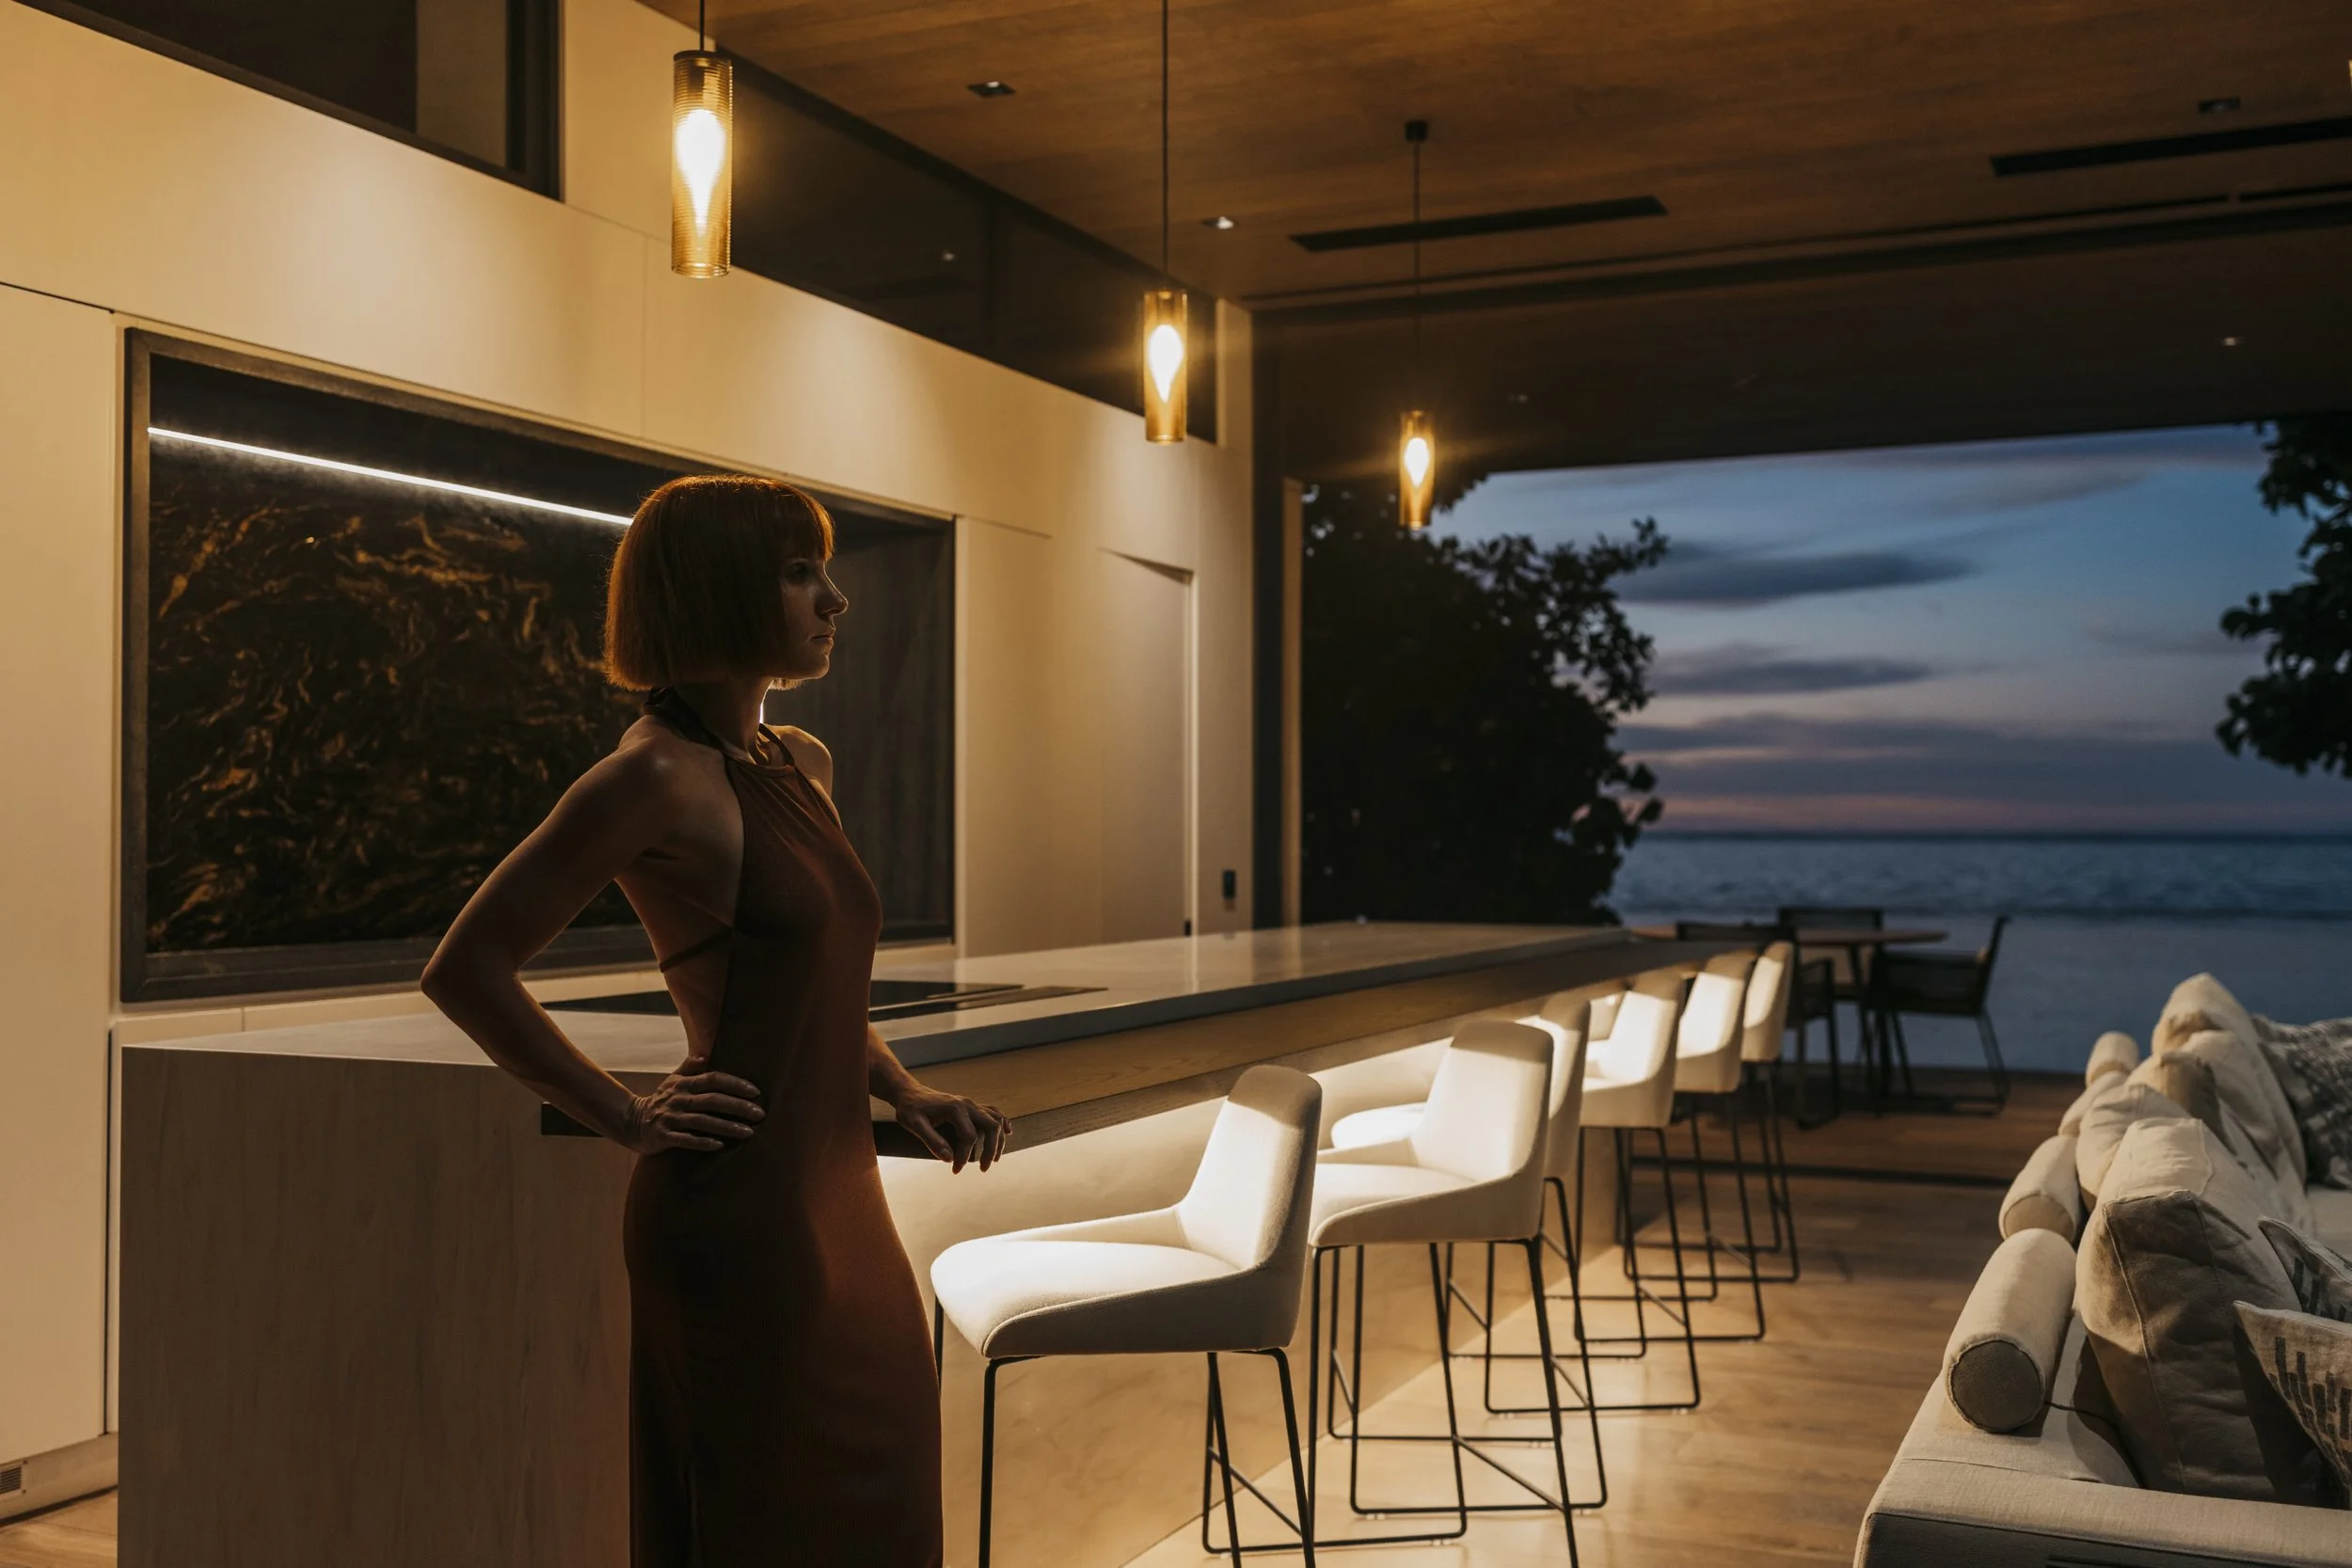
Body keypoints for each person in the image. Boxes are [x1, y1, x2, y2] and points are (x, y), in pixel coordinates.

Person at [422, 473, 1004, 1567]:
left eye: (824, 571)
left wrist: (902, 1084)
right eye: (799, 573)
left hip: (844, 1200)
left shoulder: (802, 762)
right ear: (718, 587)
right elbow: (467, 967)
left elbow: (814, 985)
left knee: (877, 1506)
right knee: (760, 1520)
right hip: (739, 1215)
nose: (834, 599)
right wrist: (624, 1113)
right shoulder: (647, 779)